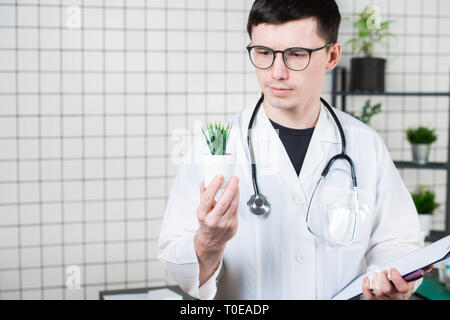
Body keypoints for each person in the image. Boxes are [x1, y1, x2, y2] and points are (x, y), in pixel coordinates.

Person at [158, 0, 426, 300]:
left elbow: (398, 241)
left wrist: (388, 285)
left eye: (296, 54)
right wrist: (207, 243)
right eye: (264, 53)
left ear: (332, 55)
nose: (276, 72)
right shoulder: (216, 147)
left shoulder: (365, 145)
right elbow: (179, 265)